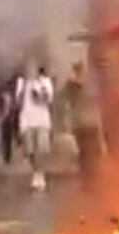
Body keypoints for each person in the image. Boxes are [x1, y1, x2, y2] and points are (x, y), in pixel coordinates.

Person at [61, 60, 104, 191]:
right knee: (90, 153)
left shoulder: (74, 84)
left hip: (84, 124)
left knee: (86, 154)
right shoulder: (88, 84)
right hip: (88, 124)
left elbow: (65, 98)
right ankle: (91, 180)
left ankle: (89, 180)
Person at [16, 61, 54, 192]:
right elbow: (19, 102)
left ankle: (40, 175)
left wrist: (39, 92)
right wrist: (24, 87)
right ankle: (35, 171)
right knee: (30, 151)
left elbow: (47, 100)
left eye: (32, 68)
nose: (30, 70)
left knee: (41, 150)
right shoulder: (21, 82)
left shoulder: (45, 81)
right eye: (28, 68)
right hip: (27, 120)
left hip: (42, 120)